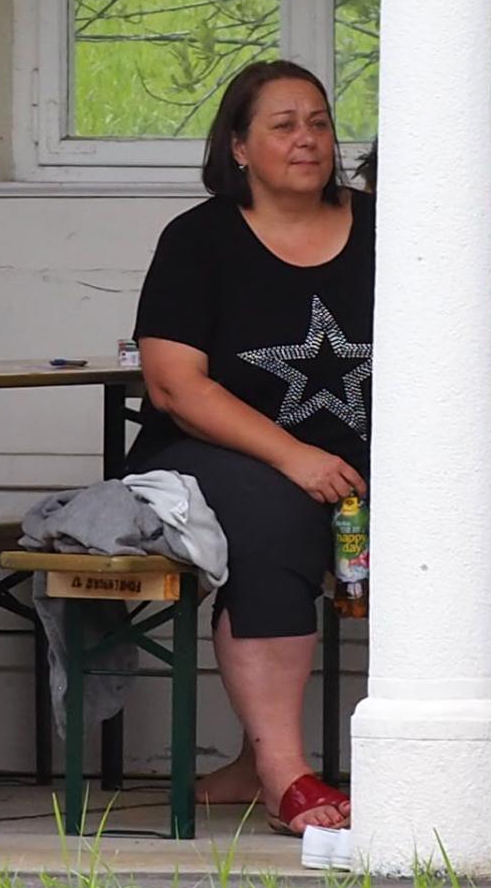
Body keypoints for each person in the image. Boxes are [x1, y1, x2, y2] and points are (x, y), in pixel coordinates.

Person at [127, 61, 365, 839]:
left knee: (438, 518)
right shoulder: (198, 240)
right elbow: (174, 386)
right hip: (208, 452)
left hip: (354, 461)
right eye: (284, 125)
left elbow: (475, 325)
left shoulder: (386, 227)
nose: (308, 139)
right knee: (275, 516)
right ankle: (286, 774)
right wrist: (293, 457)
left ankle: (448, 774)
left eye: (319, 123)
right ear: (237, 146)